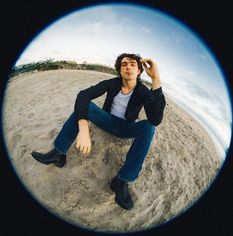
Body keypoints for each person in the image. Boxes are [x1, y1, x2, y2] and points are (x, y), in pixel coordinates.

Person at [31, 53, 166, 210]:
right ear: (119, 70)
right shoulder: (112, 83)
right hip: (106, 121)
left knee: (149, 127)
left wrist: (155, 78)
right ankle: (58, 153)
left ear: (139, 71)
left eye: (132, 64)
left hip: (125, 128)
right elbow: (83, 95)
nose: (128, 67)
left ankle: (121, 180)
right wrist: (83, 128)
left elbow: (155, 118)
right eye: (124, 64)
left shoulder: (143, 92)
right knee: (85, 106)